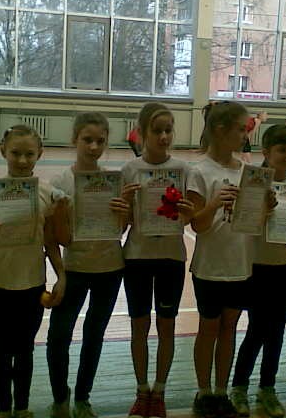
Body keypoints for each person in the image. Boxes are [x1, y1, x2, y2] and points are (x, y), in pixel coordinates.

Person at [0, 125, 67, 418]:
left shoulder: (48, 193)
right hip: (0, 283)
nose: (22, 160)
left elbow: (51, 241)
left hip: (33, 283)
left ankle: (23, 408)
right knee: (3, 350)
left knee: (26, 349)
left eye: (29, 154)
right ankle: (4, 410)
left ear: (39, 153)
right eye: (16, 153)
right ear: (3, 151)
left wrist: (61, 275)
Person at [46, 112, 130, 418]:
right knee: (59, 336)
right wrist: (60, 214)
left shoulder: (113, 182)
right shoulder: (60, 182)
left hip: (110, 268)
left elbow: (120, 229)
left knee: (94, 336)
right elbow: (60, 239)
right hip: (75, 269)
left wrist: (124, 212)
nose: (94, 147)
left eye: (100, 141)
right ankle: (60, 398)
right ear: (75, 140)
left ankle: (83, 398)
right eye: (87, 140)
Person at [120, 103, 195, 418]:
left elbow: (189, 220)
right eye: (157, 131)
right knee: (139, 327)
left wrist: (187, 212)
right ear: (142, 133)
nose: (164, 137)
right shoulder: (129, 170)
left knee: (167, 326)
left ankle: (159, 392)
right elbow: (122, 223)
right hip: (137, 257)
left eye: (168, 130)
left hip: (171, 258)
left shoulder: (183, 170)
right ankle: (142, 391)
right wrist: (125, 205)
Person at [229, 125, 286, 418]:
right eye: (282, 150)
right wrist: (263, 210)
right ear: (266, 152)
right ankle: (239, 386)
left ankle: (267, 388)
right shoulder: (252, 183)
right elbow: (242, 225)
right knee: (257, 330)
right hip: (258, 267)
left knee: (277, 332)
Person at [186, 101, 250, 418]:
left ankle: (222, 391)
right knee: (208, 329)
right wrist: (213, 204)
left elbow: (255, 220)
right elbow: (196, 225)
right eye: (241, 129)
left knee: (229, 330)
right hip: (209, 267)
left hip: (240, 265)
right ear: (221, 130)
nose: (246, 135)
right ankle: (204, 391)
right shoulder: (199, 171)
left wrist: (266, 206)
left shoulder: (246, 172)